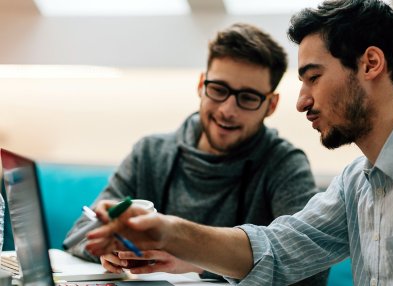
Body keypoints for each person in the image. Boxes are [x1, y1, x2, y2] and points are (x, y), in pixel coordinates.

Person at [85, 0, 393, 285]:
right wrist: (167, 232)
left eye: (314, 77)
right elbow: (278, 248)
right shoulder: (356, 180)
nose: (302, 100)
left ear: (371, 64)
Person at [64, 23, 329, 284]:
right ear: (202, 84)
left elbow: (312, 269)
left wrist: (198, 263)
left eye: (247, 98)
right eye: (218, 90)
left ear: (270, 105)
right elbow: (79, 233)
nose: (228, 109)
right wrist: (106, 249)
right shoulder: (150, 154)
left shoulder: (283, 164)